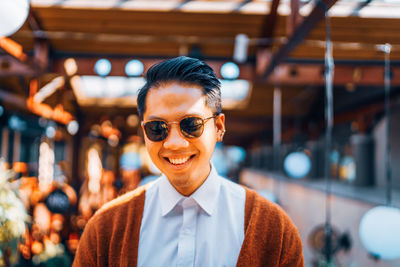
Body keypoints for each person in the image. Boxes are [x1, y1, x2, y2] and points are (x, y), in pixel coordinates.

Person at [73, 56, 304, 267]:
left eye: (191, 125)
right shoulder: (106, 229)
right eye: (157, 128)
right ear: (144, 133)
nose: (174, 143)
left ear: (219, 127)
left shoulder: (273, 229)